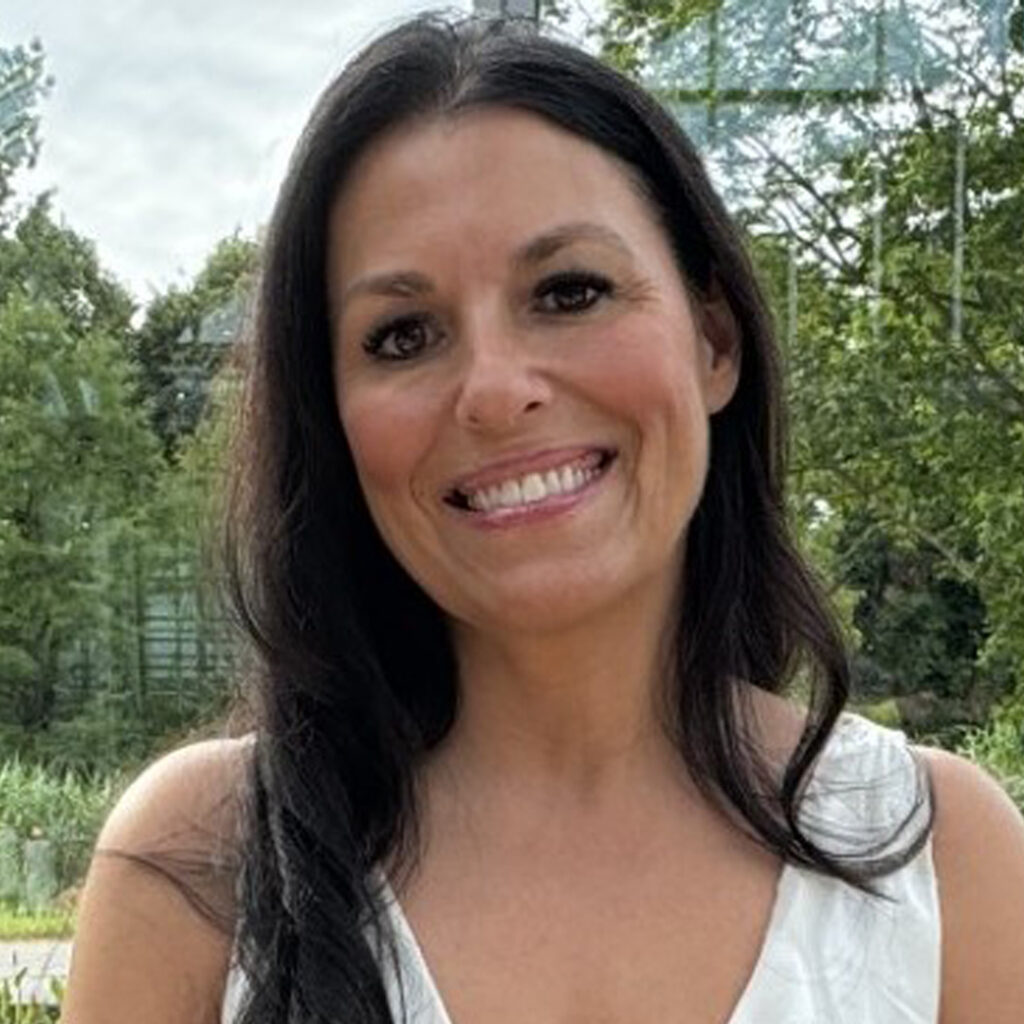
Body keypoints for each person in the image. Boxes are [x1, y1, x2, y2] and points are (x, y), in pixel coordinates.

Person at [63, 13, 1024, 1024]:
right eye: (401, 336)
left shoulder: (944, 860)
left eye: (569, 291)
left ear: (713, 340)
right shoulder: (201, 868)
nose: (493, 389)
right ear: (331, 415)